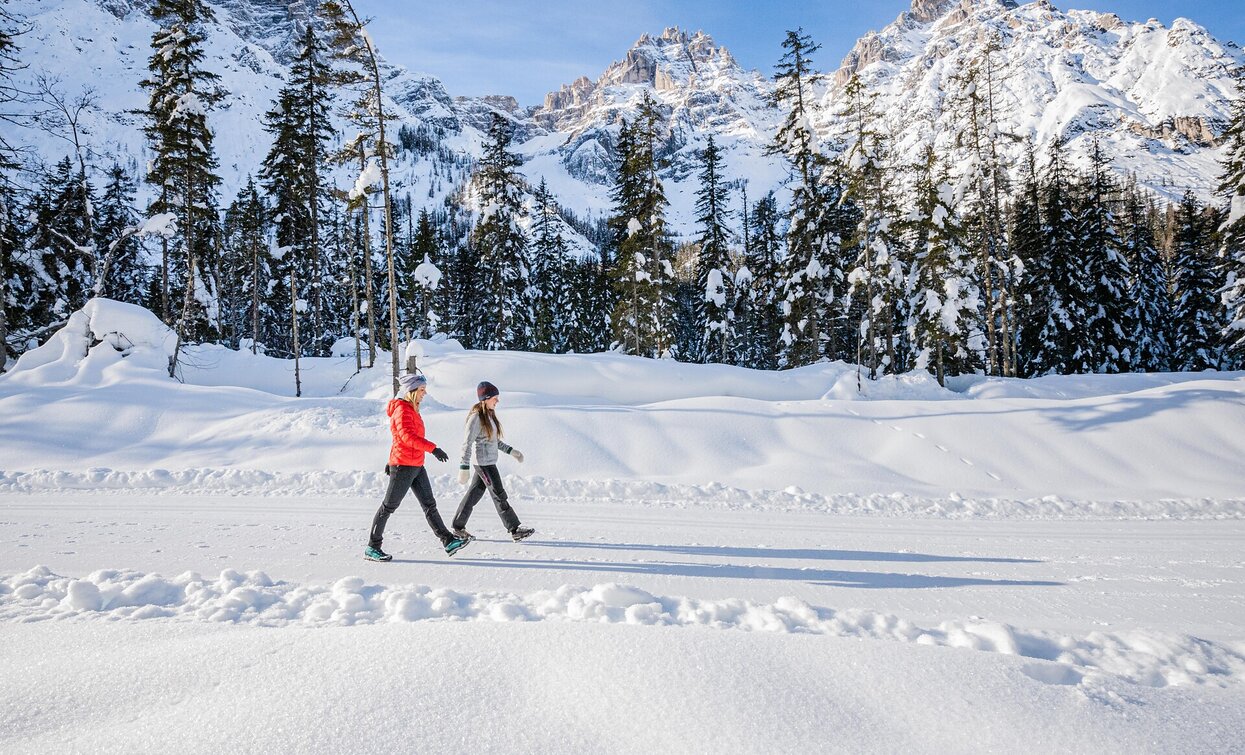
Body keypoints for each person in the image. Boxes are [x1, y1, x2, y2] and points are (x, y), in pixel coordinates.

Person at [365, 373, 471, 561]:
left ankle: (448, 541)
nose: (424, 393)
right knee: (388, 507)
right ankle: (372, 547)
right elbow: (406, 437)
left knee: (429, 505)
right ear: (411, 391)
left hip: (416, 465)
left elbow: (398, 437)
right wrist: (433, 449)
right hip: (404, 466)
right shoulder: (402, 410)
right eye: (421, 390)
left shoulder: (412, 410)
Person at [451, 381, 534, 542]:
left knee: (473, 496)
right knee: (499, 494)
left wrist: (512, 451)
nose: (497, 401)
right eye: (495, 398)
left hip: (488, 462)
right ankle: (514, 529)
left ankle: (458, 527)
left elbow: (495, 442)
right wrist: (463, 466)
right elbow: (467, 443)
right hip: (484, 464)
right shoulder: (476, 418)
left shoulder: (489, 416)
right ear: (486, 398)